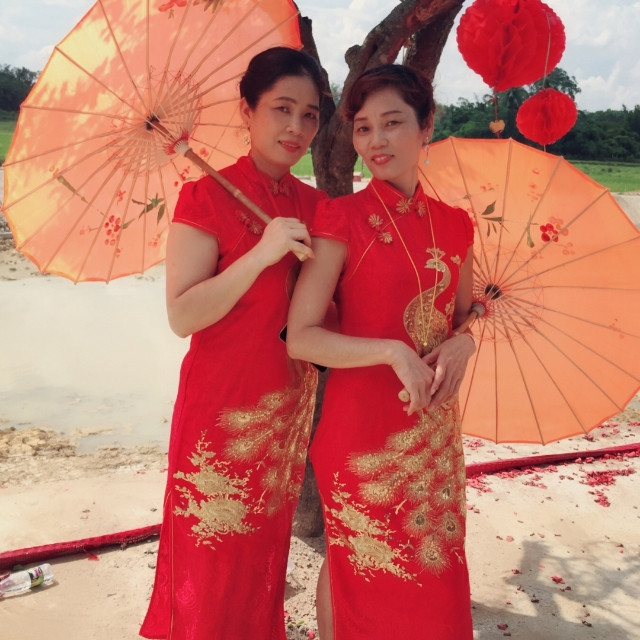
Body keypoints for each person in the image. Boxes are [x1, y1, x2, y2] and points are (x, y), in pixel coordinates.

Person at [139, 47, 326, 640]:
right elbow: (182, 315)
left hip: (285, 409)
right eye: (281, 109)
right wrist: (261, 255)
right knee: (209, 552)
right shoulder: (205, 197)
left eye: (310, 114)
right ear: (247, 111)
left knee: (260, 556)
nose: (296, 127)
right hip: (220, 408)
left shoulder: (316, 207)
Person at [286, 64, 476, 639]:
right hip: (360, 431)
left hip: (432, 435)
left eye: (392, 123)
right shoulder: (340, 218)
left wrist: (467, 341)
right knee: (358, 567)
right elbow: (302, 335)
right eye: (363, 127)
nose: (376, 141)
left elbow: (463, 315)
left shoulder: (457, 226)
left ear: (427, 126)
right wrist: (392, 352)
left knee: (434, 576)